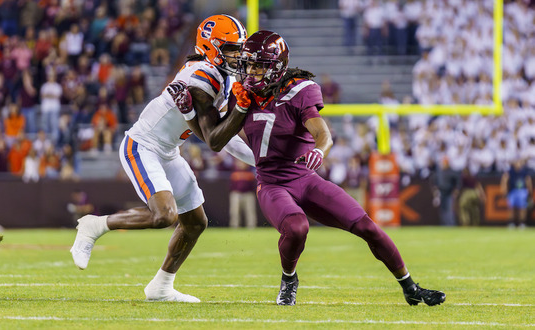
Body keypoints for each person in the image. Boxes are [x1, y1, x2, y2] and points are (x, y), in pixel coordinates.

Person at [171, 30, 446, 306]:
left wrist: (319, 150)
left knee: (368, 227)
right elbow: (217, 139)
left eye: (258, 65)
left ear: (276, 68)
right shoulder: (242, 96)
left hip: (305, 178)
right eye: (248, 65)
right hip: (272, 184)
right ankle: (289, 279)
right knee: (297, 227)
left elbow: (323, 134)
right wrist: (191, 114)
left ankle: (409, 286)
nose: (251, 72)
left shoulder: (300, 90)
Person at [70, 14, 254, 303]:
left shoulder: (221, 77)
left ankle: (161, 287)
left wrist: (262, 160)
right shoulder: (200, 79)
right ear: (211, 47)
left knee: (195, 222)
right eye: (231, 48)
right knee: (164, 215)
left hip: (167, 151)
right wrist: (264, 161)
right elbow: (216, 139)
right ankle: (95, 225)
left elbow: (221, 135)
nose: (238, 55)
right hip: (142, 146)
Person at [500, 158, 532, 229]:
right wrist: (504, 189)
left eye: (519, 163)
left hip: (522, 192)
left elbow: (528, 181)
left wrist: (529, 191)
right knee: (511, 208)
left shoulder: (524, 172)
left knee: (522, 208)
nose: (518, 164)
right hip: (513, 191)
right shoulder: (510, 171)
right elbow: (504, 179)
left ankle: (522, 223)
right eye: (517, 162)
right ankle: (511, 223)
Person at [229, 159, 257, 229]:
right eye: (240, 162)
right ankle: (234, 227)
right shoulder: (234, 172)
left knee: (250, 212)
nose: (241, 164)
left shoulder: (250, 172)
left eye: (243, 162)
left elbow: (253, 185)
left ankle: (251, 227)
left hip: (248, 194)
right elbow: (231, 185)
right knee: (234, 212)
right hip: (236, 193)